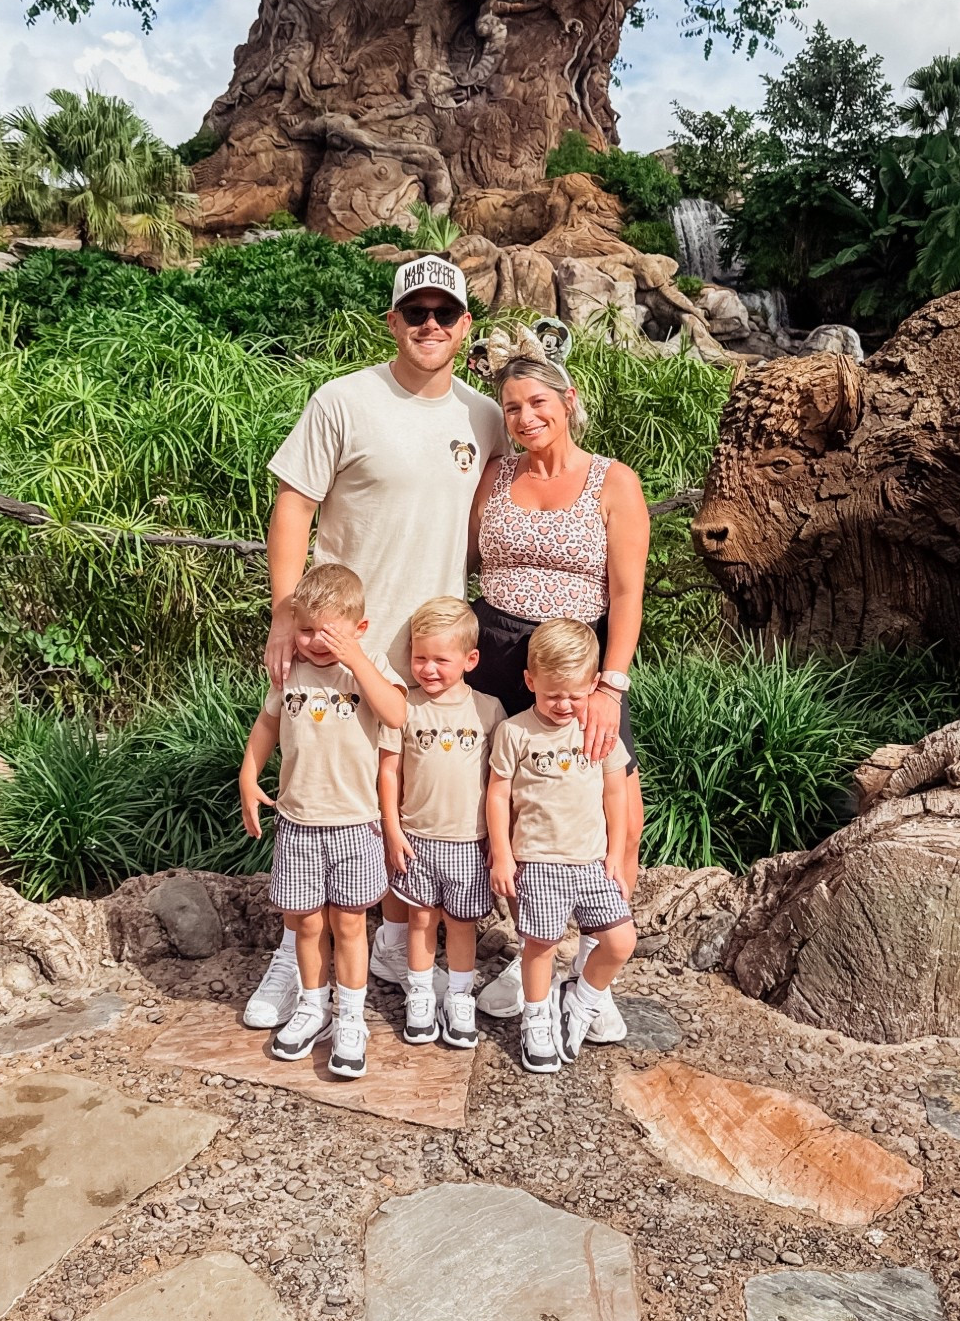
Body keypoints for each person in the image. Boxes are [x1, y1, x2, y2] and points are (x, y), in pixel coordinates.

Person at [243, 254, 509, 1030]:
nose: (431, 326)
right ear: (392, 321)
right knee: (317, 794)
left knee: (400, 808)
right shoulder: (343, 400)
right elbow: (293, 508)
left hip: (423, 657)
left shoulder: (483, 417)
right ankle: (292, 958)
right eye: (415, 313)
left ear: (465, 326)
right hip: (335, 641)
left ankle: (392, 942)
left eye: (445, 314)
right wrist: (286, 614)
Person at [468, 353, 650, 1033]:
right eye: (512, 408)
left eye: (537, 403)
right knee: (511, 794)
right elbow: (461, 558)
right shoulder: (496, 476)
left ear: (567, 400)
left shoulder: (613, 481)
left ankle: (593, 971)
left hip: (579, 663)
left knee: (616, 798)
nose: (525, 418)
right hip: (497, 653)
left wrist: (612, 684)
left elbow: (629, 593)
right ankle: (529, 947)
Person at [237, 563, 407, 1079]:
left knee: (350, 924)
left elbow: (397, 715)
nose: (314, 641)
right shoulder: (291, 670)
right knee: (306, 923)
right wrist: (248, 775)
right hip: (299, 823)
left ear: (359, 628)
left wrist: (356, 661)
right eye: (306, 629)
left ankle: (350, 1016)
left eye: (328, 632)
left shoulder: (370, 665)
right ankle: (313, 1004)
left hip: (357, 824)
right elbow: (268, 723)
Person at [485, 619, 636, 1073]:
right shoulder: (515, 732)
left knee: (620, 940)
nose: (563, 704)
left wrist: (614, 852)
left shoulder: (599, 731)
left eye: (574, 694)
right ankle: (536, 1021)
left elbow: (615, 793)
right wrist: (503, 853)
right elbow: (497, 793)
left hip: (592, 861)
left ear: (593, 684)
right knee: (540, 945)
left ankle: (581, 997)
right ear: (530, 681)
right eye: (552, 695)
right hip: (537, 862)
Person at [378, 597, 505, 1052]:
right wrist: (391, 828)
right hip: (415, 839)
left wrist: (499, 839)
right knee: (420, 920)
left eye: (440, 660)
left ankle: (458, 996)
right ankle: (418, 992)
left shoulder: (489, 711)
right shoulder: (404, 707)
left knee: (461, 924)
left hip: (470, 843)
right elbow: (388, 771)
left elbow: (500, 782)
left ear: (470, 660)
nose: (428, 669)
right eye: (419, 658)